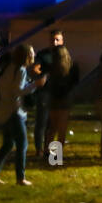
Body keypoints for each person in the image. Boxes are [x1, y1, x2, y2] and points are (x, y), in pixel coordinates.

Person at [0, 44, 46, 185]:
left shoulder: (9, 68)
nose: (34, 56)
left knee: (8, 144)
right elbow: (18, 90)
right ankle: (20, 178)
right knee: (22, 144)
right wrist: (35, 85)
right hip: (15, 112)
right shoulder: (19, 70)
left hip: (6, 109)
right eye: (31, 53)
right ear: (26, 56)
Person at [30, 30, 63, 159]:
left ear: (62, 41)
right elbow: (35, 68)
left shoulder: (63, 54)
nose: (54, 42)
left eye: (57, 40)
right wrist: (43, 73)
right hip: (45, 92)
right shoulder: (44, 54)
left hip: (59, 93)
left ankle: (52, 152)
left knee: (55, 124)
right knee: (42, 122)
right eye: (52, 40)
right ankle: (39, 150)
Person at [44, 43, 79, 161]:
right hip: (65, 99)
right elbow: (75, 82)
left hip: (53, 98)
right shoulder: (72, 66)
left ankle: (47, 151)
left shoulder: (51, 67)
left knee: (52, 127)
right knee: (62, 130)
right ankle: (57, 156)